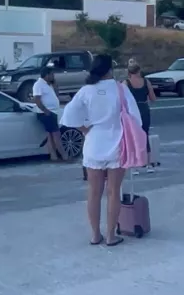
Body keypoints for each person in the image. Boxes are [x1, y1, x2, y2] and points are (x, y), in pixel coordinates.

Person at [60, 53, 145, 247]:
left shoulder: (86, 90)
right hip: (117, 145)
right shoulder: (121, 89)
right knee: (114, 192)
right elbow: (136, 118)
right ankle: (111, 235)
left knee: (93, 192)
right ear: (110, 70)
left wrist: (84, 128)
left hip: (93, 144)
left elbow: (67, 116)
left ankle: (95, 235)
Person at [125, 56, 157, 167]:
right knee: (145, 134)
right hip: (144, 109)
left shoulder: (126, 83)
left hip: (132, 112)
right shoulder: (146, 82)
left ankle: (135, 163)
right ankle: (148, 163)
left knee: (132, 136)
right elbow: (153, 98)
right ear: (139, 70)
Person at [32, 64, 65, 162]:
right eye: (52, 74)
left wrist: (55, 84)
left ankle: (53, 156)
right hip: (46, 113)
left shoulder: (48, 84)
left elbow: (56, 94)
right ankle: (64, 156)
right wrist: (46, 112)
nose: (53, 76)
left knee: (50, 136)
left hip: (52, 112)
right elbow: (37, 100)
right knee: (56, 135)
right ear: (46, 75)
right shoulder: (38, 84)